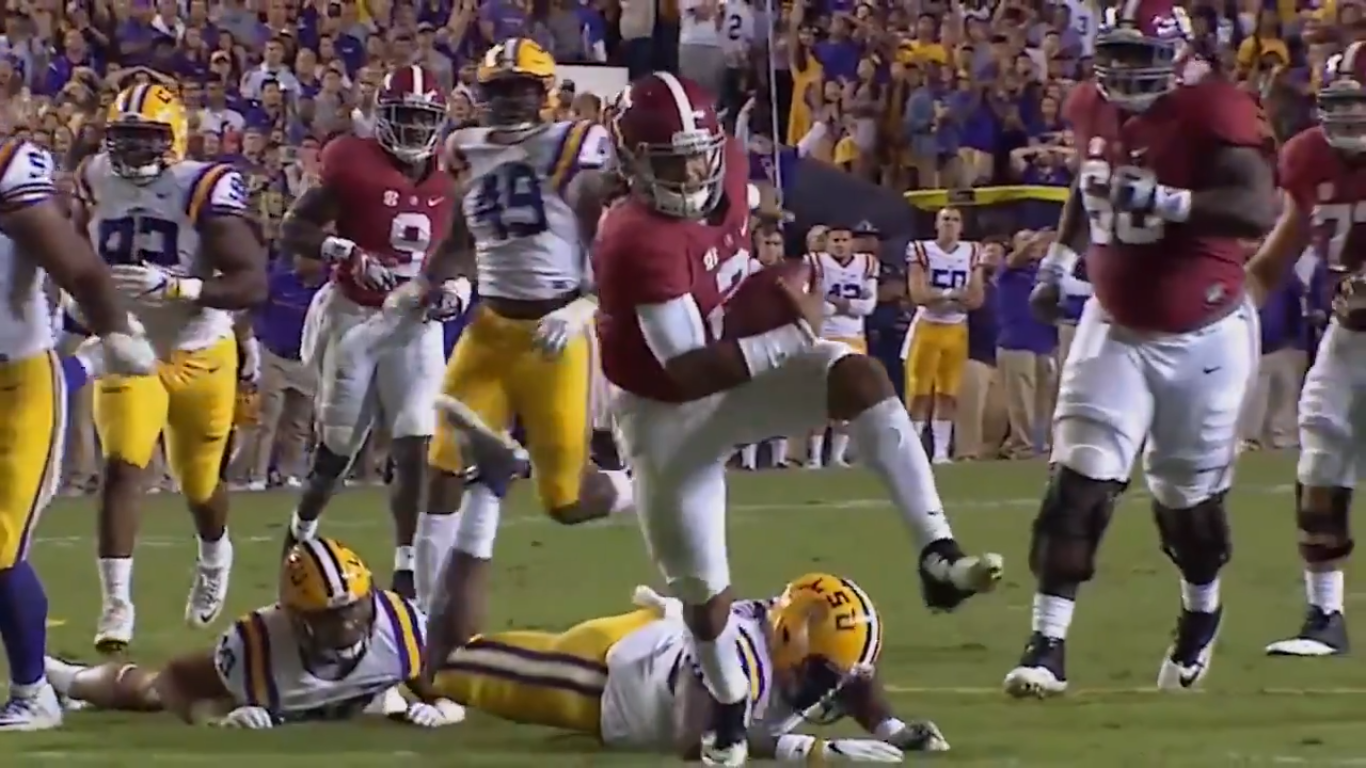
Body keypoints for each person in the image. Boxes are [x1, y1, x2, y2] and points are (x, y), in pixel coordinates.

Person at [592, 71, 1002, 766]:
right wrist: (790, 330)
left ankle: (937, 553)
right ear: (633, 165)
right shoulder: (634, 238)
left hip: (736, 373)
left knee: (860, 378)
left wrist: (765, 221)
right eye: (670, 161)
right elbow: (688, 370)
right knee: (704, 597)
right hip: (667, 413)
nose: (691, 172)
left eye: (697, 155)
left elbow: (748, 199)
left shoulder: (729, 170)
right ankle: (728, 703)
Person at [1010, 0, 1276, 698]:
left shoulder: (1214, 109)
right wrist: (1058, 263)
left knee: (1186, 509)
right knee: (1078, 483)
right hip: (1116, 324)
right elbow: (1088, 183)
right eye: (1116, 53)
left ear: (1175, 55)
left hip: (1205, 335)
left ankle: (1201, 609)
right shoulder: (1089, 105)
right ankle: (1046, 645)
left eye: (1139, 55)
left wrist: (1170, 201)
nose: (1124, 69)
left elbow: (1256, 208)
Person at [418, 38, 632, 665]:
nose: (510, 100)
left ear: (545, 94)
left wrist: (587, 303)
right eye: (499, 89)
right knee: (441, 467)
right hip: (489, 329)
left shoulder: (573, 145)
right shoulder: (464, 148)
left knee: (564, 501)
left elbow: (616, 237)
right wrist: (438, 283)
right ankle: (426, 618)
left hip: (554, 333)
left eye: (522, 88)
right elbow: (459, 240)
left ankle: (638, 489)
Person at [73, 83, 268, 655]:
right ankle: (116, 602)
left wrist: (182, 287)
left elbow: (252, 281)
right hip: (129, 344)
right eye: (125, 137)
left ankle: (214, 554)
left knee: (200, 483)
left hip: (200, 348)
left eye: (147, 137)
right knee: (122, 466)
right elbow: (73, 246)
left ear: (174, 138)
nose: (134, 150)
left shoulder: (201, 185)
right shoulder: (93, 177)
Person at [279, 64, 468, 605]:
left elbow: (462, 248)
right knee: (338, 445)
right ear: (382, 117)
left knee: (415, 439)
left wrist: (457, 288)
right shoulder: (351, 160)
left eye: (424, 119)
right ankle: (302, 527)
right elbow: (294, 228)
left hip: (414, 324)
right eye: (404, 117)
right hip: (354, 317)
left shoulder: (454, 172)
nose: (414, 130)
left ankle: (407, 565)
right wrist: (345, 251)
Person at [434, 573, 948, 760]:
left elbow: (856, 672)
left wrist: (889, 727)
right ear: (789, 638)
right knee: (454, 667)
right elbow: (695, 740)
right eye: (822, 675)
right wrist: (810, 751)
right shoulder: (743, 658)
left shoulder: (796, 639)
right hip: (599, 679)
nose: (828, 689)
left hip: (655, 641)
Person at [0, 136, 158, 730]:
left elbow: (79, 266)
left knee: (0, 542)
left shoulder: (9, 170)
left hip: (15, 384)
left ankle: (33, 692)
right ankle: (48, 674)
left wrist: (114, 328)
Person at [44, 538, 464, 729]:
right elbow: (175, 679)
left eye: (355, 608)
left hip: (361, 702)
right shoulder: (256, 648)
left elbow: (447, 689)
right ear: (295, 618)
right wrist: (215, 717)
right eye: (331, 617)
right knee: (151, 692)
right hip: (271, 697)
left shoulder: (400, 627)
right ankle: (67, 678)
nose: (349, 624)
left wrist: (444, 708)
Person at [1250, 41, 1366, 658]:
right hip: (1349, 335)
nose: (1347, 117)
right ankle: (1325, 616)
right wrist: (1232, 304)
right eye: (1340, 104)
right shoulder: (1308, 156)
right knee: (1319, 452)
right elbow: (1283, 246)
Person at [902, 207, 985, 465]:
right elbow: (918, 295)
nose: (950, 223)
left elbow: (977, 297)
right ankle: (913, 452)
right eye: (945, 219)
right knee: (919, 393)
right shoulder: (921, 249)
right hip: (927, 327)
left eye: (955, 219)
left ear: (962, 226)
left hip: (956, 328)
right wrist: (951, 295)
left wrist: (939, 296)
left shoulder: (972, 251)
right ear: (936, 224)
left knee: (948, 392)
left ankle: (940, 452)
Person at [804, 224, 879, 469]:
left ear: (852, 243)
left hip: (854, 337)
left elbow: (868, 306)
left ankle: (837, 456)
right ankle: (815, 457)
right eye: (835, 240)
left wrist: (837, 304)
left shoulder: (867, 263)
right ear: (827, 243)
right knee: (819, 399)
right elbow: (816, 305)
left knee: (849, 400)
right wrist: (849, 305)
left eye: (844, 240)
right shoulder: (815, 262)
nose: (840, 244)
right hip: (824, 336)